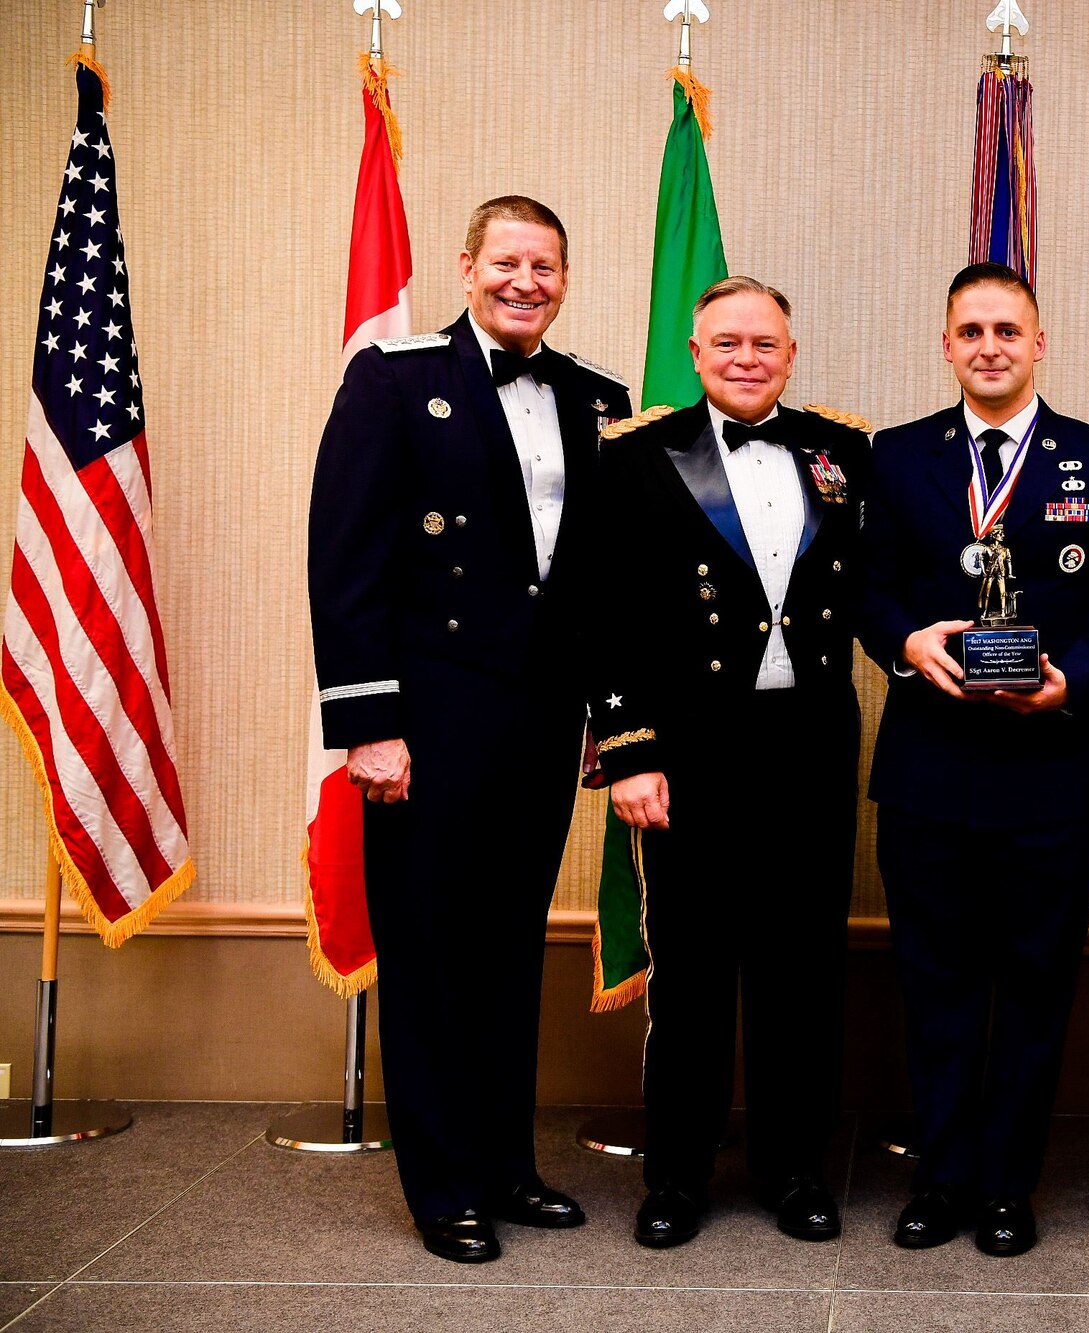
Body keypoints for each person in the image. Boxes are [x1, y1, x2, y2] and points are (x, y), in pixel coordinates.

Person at [308, 195, 631, 1263]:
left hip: (542, 714)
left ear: (565, 278)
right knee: (431, 948)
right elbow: (345, 559)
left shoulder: (596, 398)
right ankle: (440, 1181)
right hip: (430, 715)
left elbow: (598, 584)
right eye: (506, 261)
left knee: (506, 945)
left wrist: (606, 718)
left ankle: (503, 1164)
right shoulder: (395, 379)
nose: (523, 280)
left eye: (544, 264)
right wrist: (369, 726)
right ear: (466, 266)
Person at [858, 262, 1089, 1257]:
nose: (988, 345)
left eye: (1007, 329)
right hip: (930, 769)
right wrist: (905, 639)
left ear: (1040, 343)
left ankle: (1006, 1186)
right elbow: (863, 587)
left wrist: (1071, 680)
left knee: (1035, 984)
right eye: (970, 330)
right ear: (945, 344)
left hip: (1053, 767)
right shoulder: (894, 456)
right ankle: (942, 1180)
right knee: (935, 981)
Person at [584, 276, 871, 1250]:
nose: (747, 358)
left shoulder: (844, 452)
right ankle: (676, 1174)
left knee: (802, 967)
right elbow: (605, 616)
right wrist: (629, 751)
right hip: (691, 749)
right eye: (727, 344)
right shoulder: (632, 458)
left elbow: (880, 587)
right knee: (694, 970)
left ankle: (794, 1167)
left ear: (789, 356)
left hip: (810, 747)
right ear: (696, 356)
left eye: (765, 344)